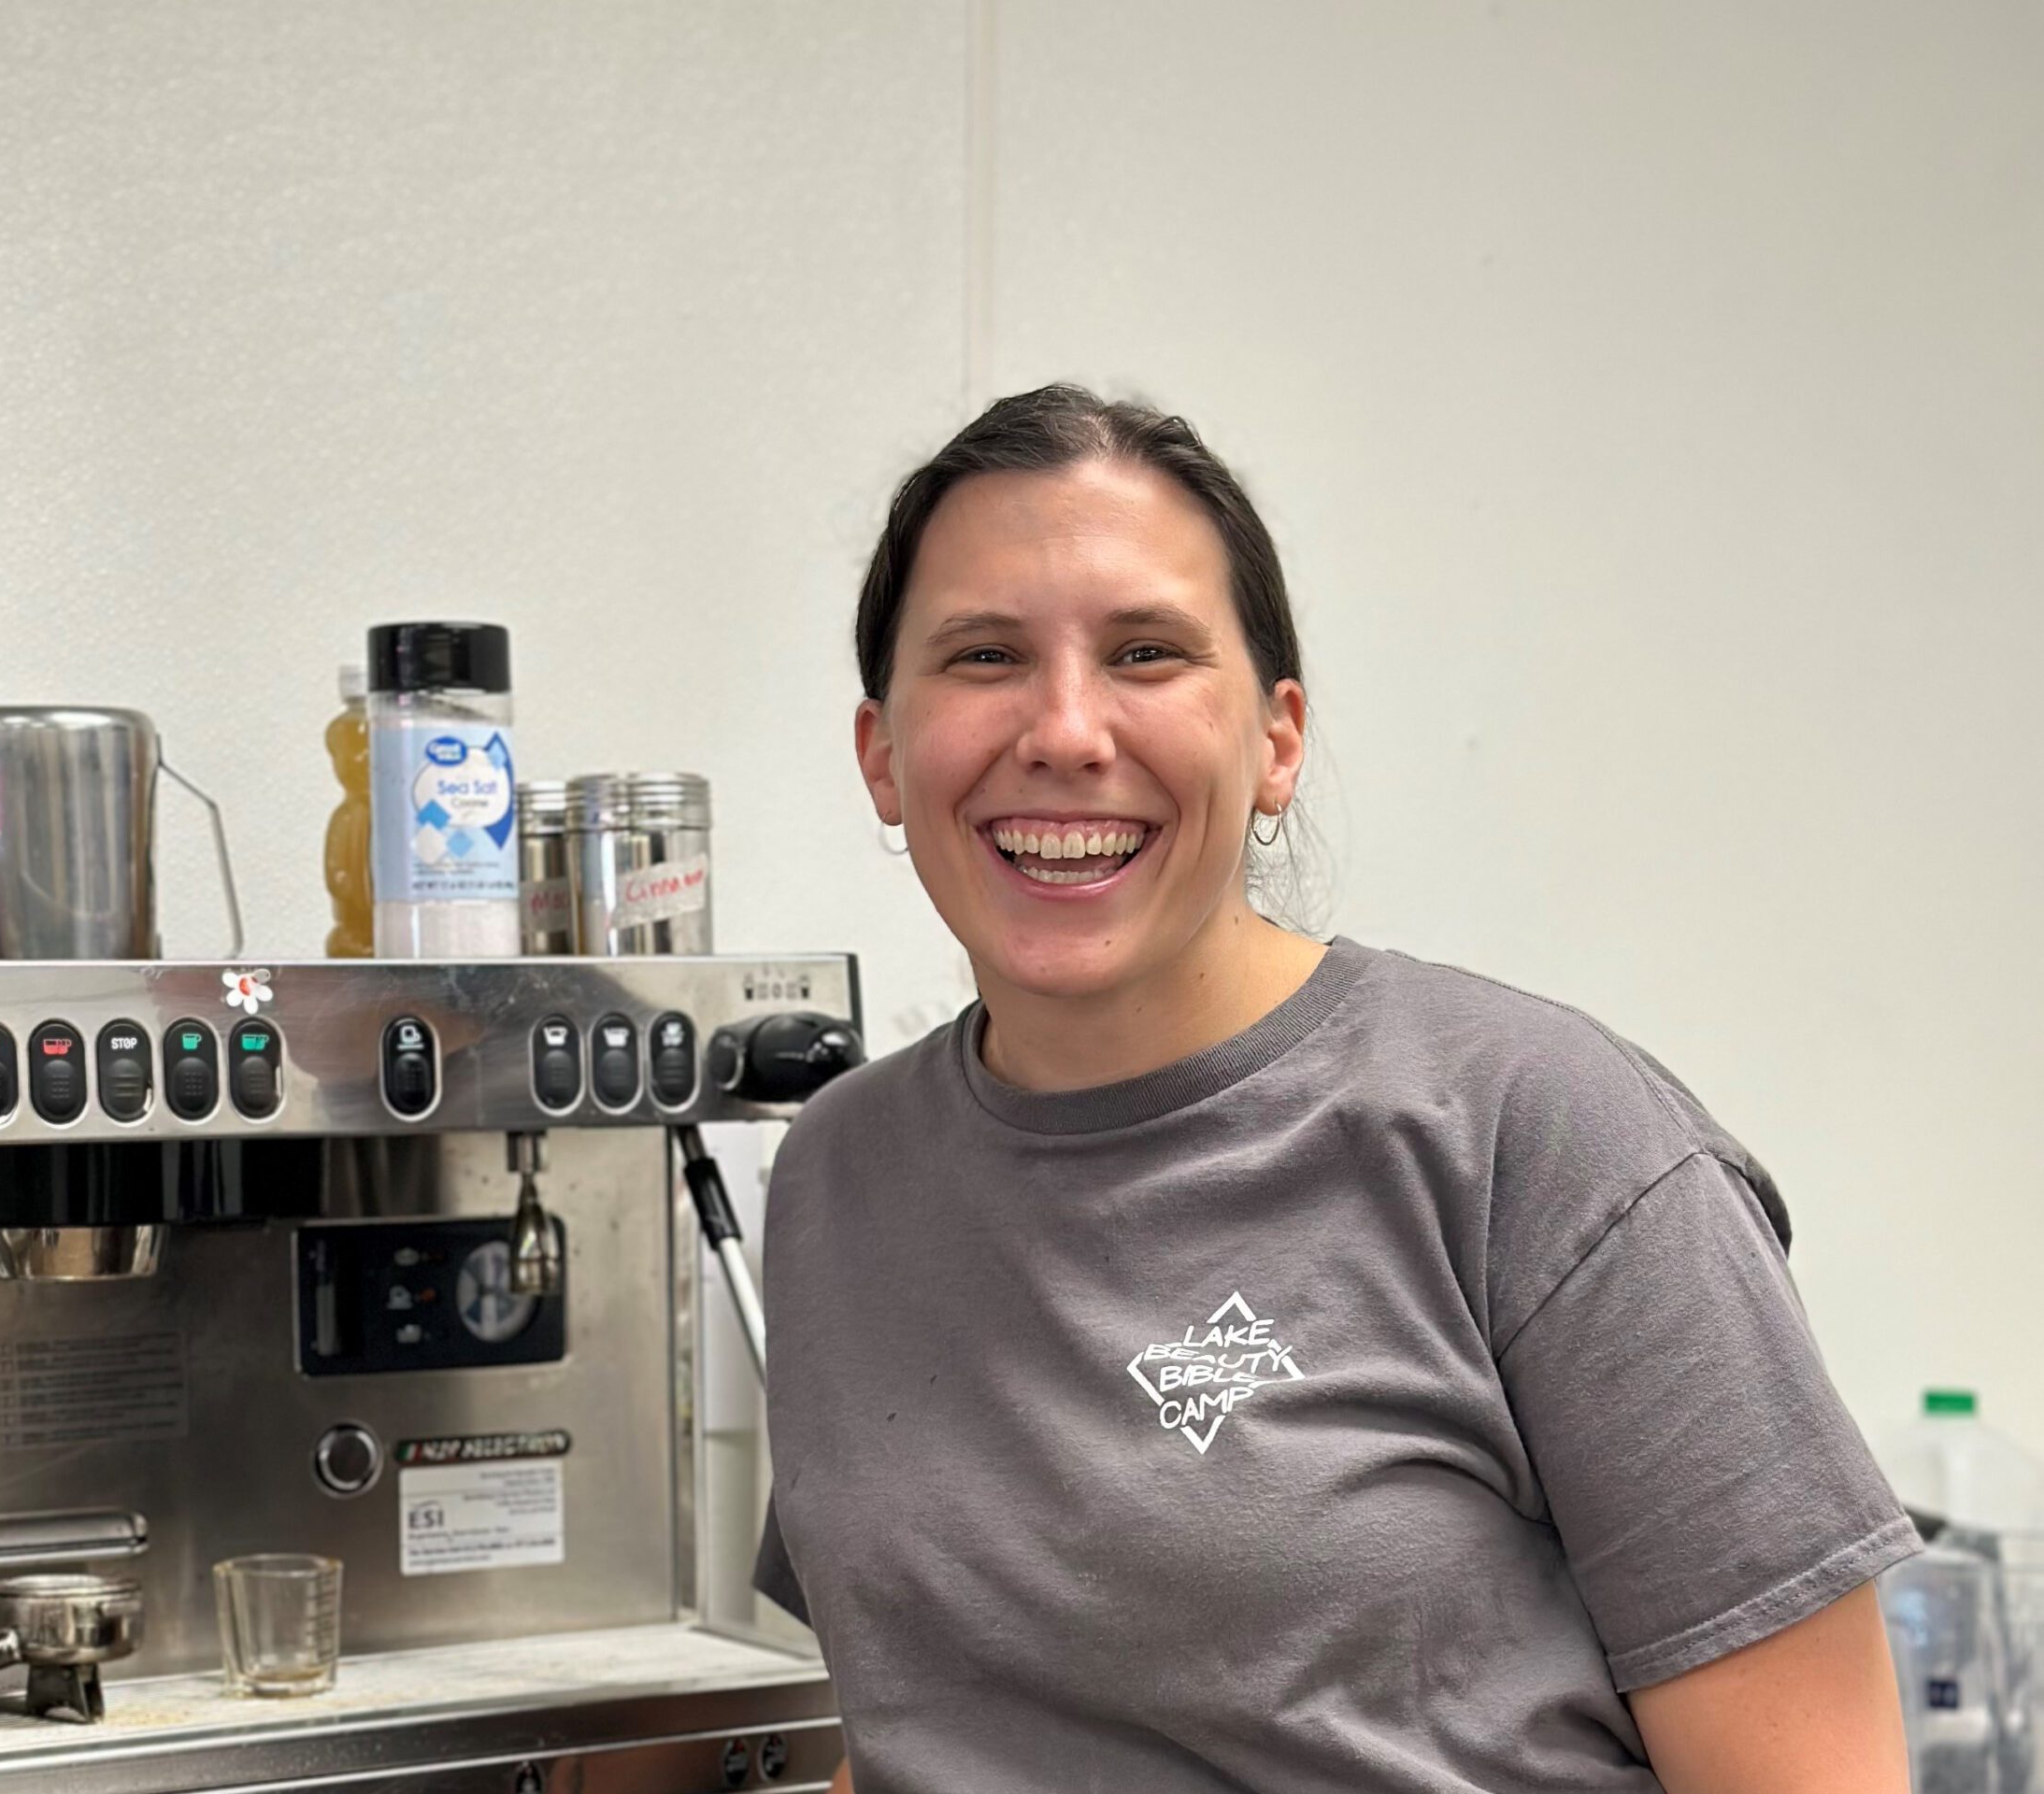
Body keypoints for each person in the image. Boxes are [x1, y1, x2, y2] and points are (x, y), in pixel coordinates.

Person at [753, 385, 1918, 1793]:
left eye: (1146, 652)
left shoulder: (1544, 1140)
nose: (1065, 729)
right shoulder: (839, 1176)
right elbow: (921, 1722)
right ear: (884, 754)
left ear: (1277, 743)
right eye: (986, 654)